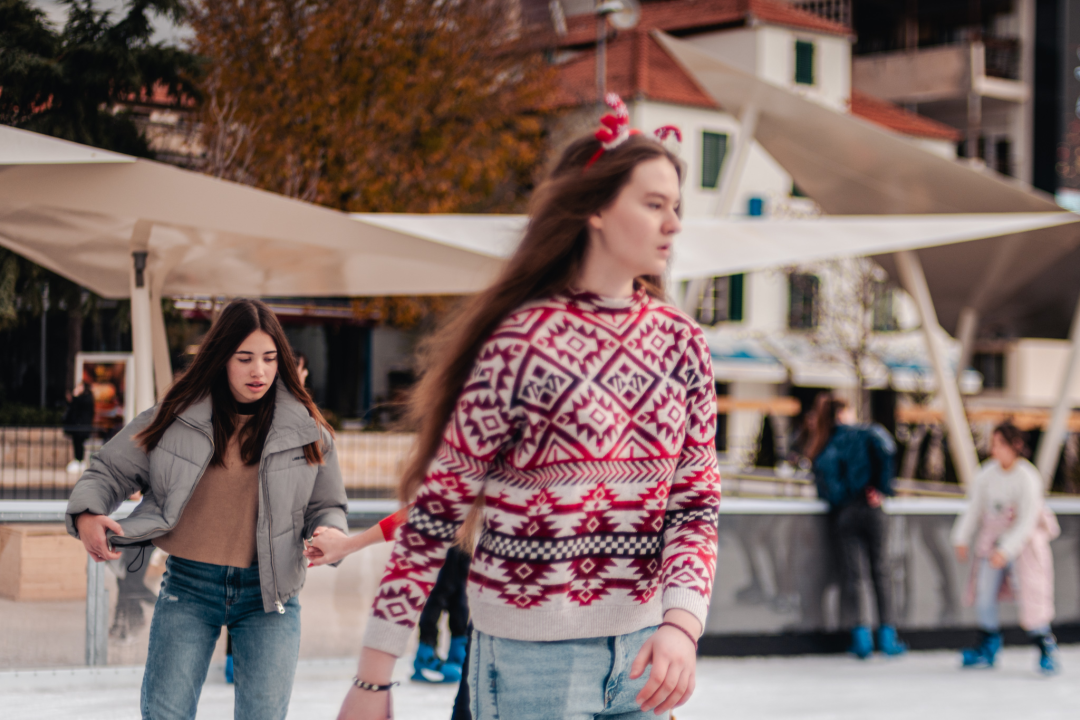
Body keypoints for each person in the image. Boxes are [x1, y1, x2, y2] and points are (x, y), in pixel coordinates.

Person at [317, 94, 721, 720]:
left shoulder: (683, 343)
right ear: (594, 209)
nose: (673, 224)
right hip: (532, 661)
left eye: (676, 207)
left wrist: (682, 623)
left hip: (646, 659)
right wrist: (375, 677)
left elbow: (694, 504)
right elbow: (436, 514)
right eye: (653, 204)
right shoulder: (519, 344)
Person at [65, 298, 349, 720]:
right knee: (166, 713)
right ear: (221, 358)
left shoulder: (307, 428)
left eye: (271, 359)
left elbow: (327, 504)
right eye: (245, 358)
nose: (260, 371)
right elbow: (108, 470)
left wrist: (331, 531)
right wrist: (87, 513)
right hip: (189, 588)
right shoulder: (176, 417)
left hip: (270, 595)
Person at [952, 421, 1061, 674]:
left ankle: (1044, 644)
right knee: (984, 591)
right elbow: (975, 507)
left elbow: (1028, 519)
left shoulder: (1028, 477)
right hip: (992, 544)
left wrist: (1007, 549)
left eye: (1001, 444)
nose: (995, 450)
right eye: (994, 444)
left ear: (1016, 446)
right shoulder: (986, 474)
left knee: (1032, 594)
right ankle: (987, 645)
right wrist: (961, 537)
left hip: (1023, 547)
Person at [802, 392, 906, 659]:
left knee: (854, 576)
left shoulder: (824, 443)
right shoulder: (866, 433)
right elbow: (887, 448)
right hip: (871, 509)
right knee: (881, 571)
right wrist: (881, 489)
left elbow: (824, 482)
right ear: (844, 412)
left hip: (845, 514)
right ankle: (887, 635)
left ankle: (861, 638)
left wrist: (842, 499)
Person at [63, 380, 96, 474]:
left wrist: (75, 396)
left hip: (82, 426)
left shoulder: (86, 397)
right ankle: (78, 461)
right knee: (76, 443)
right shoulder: (80, 398)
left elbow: (80, 405)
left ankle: (80, 461)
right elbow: (72, 408)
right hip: (76, 426)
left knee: (79, 444)